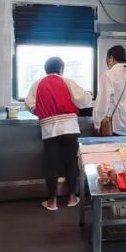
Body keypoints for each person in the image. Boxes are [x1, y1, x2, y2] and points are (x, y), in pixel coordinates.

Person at [25, 56, 92, 211]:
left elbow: (29, 104)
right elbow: (84, 100)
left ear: (46, 69)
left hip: (49, 129)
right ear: (61, 69)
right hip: (69, 127)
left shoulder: (37, 84)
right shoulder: (67, 82)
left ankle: (53, 202)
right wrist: (88, 95)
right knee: (71, 163)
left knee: (51, 165)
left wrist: (39, 111)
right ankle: (72, 198)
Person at [93, 45, 126, 136]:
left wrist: (97, 124)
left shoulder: (108, 75)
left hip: (115, 128)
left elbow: (102, 103)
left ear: (111, 58)